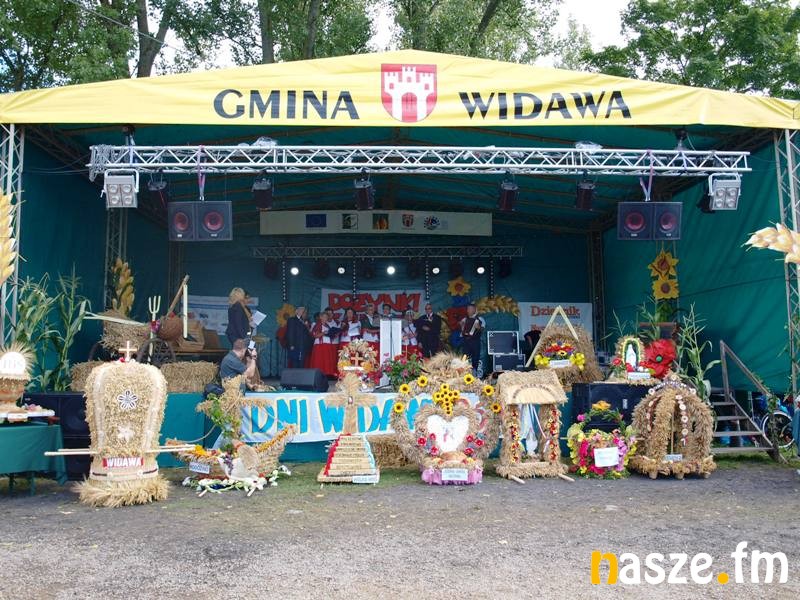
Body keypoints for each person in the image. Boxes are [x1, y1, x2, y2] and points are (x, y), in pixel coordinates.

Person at [309, 312, 338, 377]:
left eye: (326, 317)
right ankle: (318, 374)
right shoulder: (317, 325)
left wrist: (334, 334)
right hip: (320, 345)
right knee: (320, 360)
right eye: (324, 317)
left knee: (326, 361)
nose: (325, 318)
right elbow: (315, 336)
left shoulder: (327, 326)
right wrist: (323, 333)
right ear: (320, 317)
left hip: (327, 345)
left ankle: (326, 374)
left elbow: (330, 335)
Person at [460, 303, 485, 372]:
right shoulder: (464, 319)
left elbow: (482, 329)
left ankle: (474, 372)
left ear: (474, 310)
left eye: (470, 309)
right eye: (468, 309)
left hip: (475, 341)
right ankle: (465, 372)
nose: (468, 310)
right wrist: (462, 326)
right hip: (466, 341)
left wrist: (479, 327)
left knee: (475, 358)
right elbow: (462, 331)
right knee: (465, 357)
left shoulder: (480, 319)